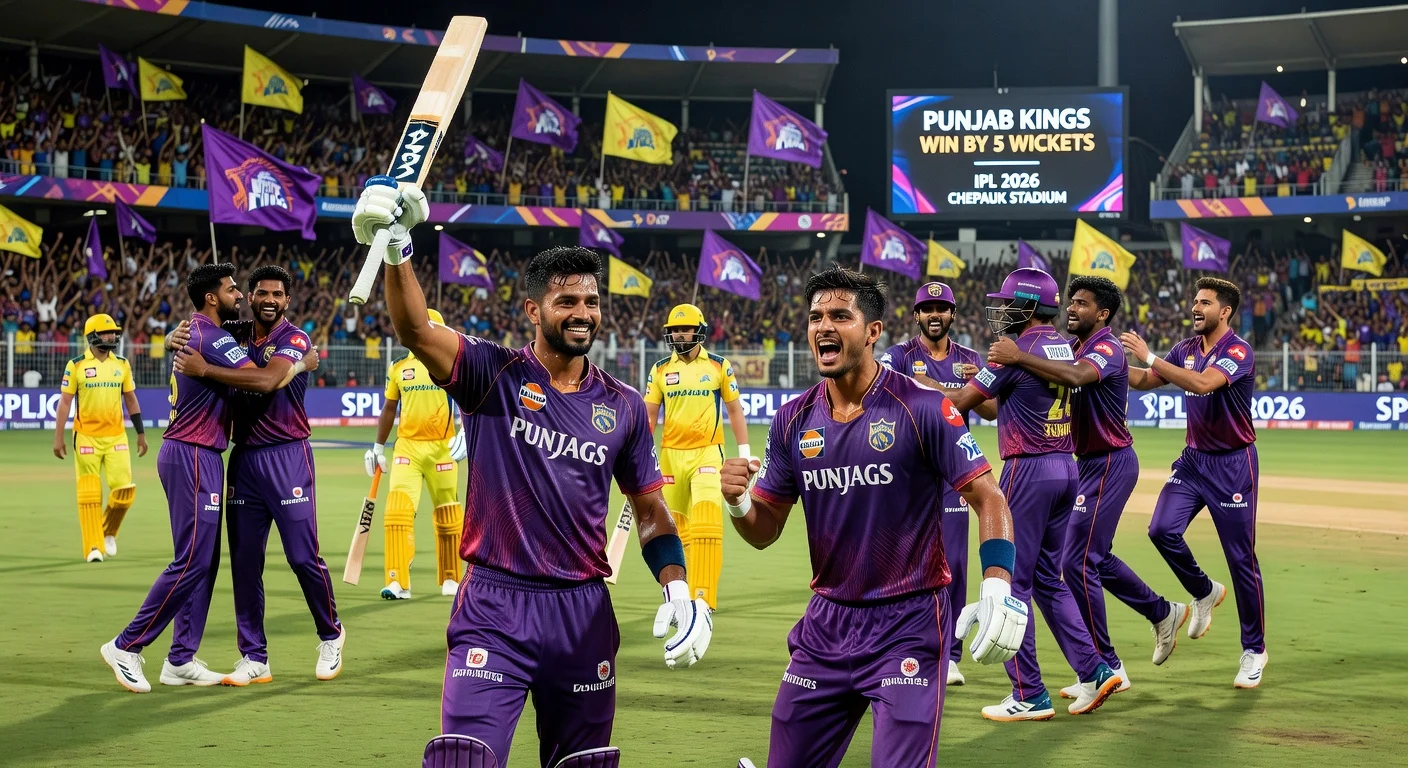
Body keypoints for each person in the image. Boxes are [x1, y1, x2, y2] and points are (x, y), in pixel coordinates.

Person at [353, 181, 710, 767]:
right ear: (534, 310)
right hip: (495, 606)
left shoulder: (621, 405)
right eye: (566, 301)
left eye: (591, 302)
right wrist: (397, 249)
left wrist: (676, 583)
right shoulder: (493, 373)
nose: (583, 314)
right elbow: (417, 330)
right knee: (463, 760)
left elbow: (649, 512)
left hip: (583, 613)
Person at [723, 267, 1027, 768]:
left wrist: (997, 584)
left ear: (873, 332)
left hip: (907, 622)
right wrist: (738, 503)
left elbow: (990, 497)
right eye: (816, 316)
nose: (824, 326)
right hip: (825, 625)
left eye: (841, 315)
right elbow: (765, 530)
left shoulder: (924, 408)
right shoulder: (792, 419)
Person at [99, 263, 304, 692]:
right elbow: (262, 380)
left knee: (203, 562)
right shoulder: (212, 337)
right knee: (191, 560)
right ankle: (126, 646)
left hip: (201, 453)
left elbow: (238, 350)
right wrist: (301, 364)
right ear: (212, 297)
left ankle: (180, 660)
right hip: (193, 454)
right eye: (232, 290)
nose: (240, 296)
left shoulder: (198, 330)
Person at [986, 276, 1188, 701]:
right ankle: (1153, 619)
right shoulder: (1070, 349)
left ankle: (1108, 664)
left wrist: (1018, 357)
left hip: (1110, 461)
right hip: (1082, 463)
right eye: (1070, 302)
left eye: (1082, 303)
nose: (1072, 309)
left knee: (1078, 561)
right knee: (1073, 562)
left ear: (1103, 314)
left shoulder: (1105, 347)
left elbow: (1078, 377)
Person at [948, 267, 1121, 721]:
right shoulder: (1060, 345)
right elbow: (1003, 403)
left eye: (1008, 303)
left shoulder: (1015, 349)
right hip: (1066, 468)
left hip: (1027, 470)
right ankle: (1095, 670)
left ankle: (1030, 693)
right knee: (1047, 580)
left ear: (1026, 306)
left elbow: (959, 406)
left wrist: (918, 389)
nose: (1002, 310)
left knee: (1012, 585)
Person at [170, 265, 342, 686]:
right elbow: (198, 321)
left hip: (288, 457)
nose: (269, 299)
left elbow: (266, 381)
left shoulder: (294, 339)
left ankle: (331, 635)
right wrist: (176, 334)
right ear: (249, 296)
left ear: (287, 300)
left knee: (303, 557)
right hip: (244, 461)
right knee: (245, 563)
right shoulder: (236, 331)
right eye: (261, 292)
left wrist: (204, 371)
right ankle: (254, 655)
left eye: (278, 294)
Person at [1122, 277, 1267, 689]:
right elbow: (1148, 380)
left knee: (1242, 561)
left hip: (1233, 465)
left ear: (1225, 311)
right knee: (1161, 529)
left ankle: (1254, 651)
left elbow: (1203, 384)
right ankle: (1203, 592)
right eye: (1194, 301)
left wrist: (1149, 356)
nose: (1195, 307)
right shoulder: (1185, 349)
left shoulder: (1238, 350)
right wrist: (1108, 364)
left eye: (1205, 302)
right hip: (1194, 461)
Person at [878, 281, 987, 686]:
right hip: (909, 470)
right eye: (928, 308)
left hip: (955, 469)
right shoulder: (898, 355)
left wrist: (979, 386)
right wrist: (960, 392)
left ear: (953, 315)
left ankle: (950, 655)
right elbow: (892, 390)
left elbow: (991, 409)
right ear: (916, 315)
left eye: (942, 308)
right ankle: (896, 644)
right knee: (901, 558)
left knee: (954, 562)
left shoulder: (972, 358)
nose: (935, 315)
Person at [643, 303, 749, 610]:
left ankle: (704, 599)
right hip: (670, 457)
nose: (678, 334)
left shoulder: (718, 365)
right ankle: (682, 595)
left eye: (684, 328)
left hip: (707, 454)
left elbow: (734, 409)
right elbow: (649, 414)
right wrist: (640, 458)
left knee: (707, 521)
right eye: (674, 330)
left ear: (698, 331)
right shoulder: (661, 369)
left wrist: (744, 453)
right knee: (676, 529)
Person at [365, 308, 466, 600]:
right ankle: (398, 581)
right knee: (397, 512)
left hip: (443, 449)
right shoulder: (398, 367)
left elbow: (469, 400)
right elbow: (388, 409)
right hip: (407, 447)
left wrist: (466, 432)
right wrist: (377, 446)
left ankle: (450, 578)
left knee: (448, 516)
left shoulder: (451, 364)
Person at [52, 313, 147, 562]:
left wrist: (141, 433)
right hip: (86, 437)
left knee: (124, 491)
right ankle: (93, 547)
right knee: (90, 494)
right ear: (93, 335)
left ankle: (108, 532)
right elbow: (64, 403)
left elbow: (131, 399)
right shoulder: (76, 365)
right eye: (107, 333)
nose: (112, 336)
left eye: (114, 332)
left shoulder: (122, 364)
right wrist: (58, 437)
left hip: (116, 437)